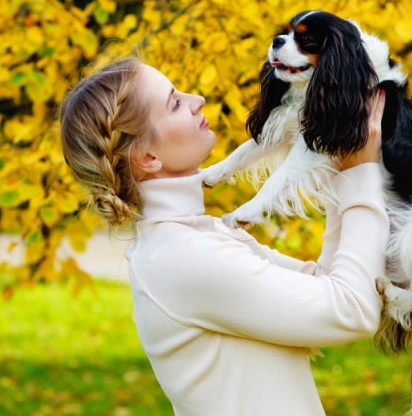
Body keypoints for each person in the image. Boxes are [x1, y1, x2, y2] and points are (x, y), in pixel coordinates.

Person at [60, 55, 389, 416]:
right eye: (174, 103)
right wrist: (362, 170)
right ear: (148, 157)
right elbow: (351, 309)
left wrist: (343, 165)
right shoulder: (183, 259)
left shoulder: (194, 239)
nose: (196, 99)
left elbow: (328, 286)